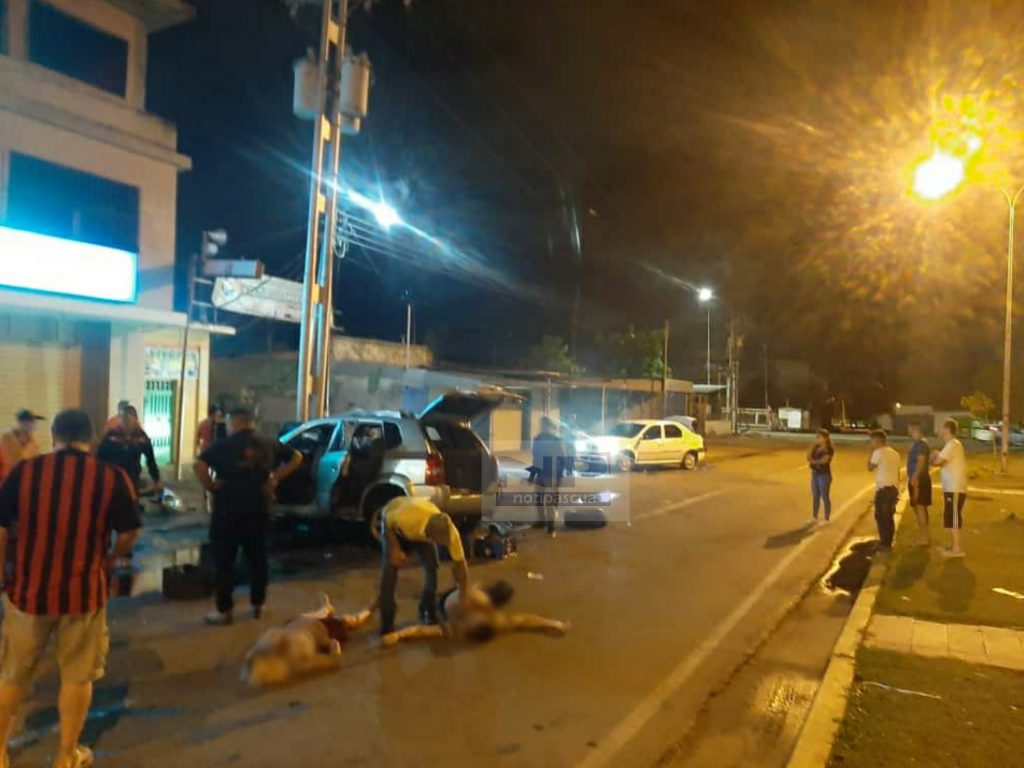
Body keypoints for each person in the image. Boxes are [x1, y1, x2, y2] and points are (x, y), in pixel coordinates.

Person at [0, 409, 141, 768]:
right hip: (83, 594)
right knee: (77, 676)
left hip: (27, 592)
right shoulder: (111, 477)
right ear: (91, 439)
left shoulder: (25, 472)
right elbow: (129, 532)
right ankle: (66, 755)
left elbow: (1, 529)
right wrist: (109, 561)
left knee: (14, 674)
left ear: (54, 436)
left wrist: (3, 574)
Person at [194, 407, 302, 625]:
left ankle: (224, 610)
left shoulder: (224, 445)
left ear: (236, 422)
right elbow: (297, 457)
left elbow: (199, 464)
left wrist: (211, 487)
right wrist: (275, 477)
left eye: (228, 422)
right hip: (258, 508)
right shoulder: (268, 443)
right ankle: (258, 605)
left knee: (225, 561)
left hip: (228, 510)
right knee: (258, 559)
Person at [378, 496, 470, 636]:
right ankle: (387, 622)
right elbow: (386, 520)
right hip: (394, 529)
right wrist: (395, 548)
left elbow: (460, 564)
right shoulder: (407, 518)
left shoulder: (451, 533)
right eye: (437, 541)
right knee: (390, 570)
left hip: (421, 531)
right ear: (430, 534)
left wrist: (463, 595)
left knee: (432, 566)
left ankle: (427, 609)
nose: (439, 544)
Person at [381, 580, 568, 647]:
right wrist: (551, 623)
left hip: (447, 602)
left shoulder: (458, 628)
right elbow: (523, 620)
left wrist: (398, 635)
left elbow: (422, 631)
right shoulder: (488, 611)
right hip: (456, 596)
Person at [97, 406, 161, 496]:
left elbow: (150, 460)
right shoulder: (111, 436)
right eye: (123, 420)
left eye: (129, 421)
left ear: (135, 420)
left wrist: (156, 480)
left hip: (132, 477)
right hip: (113, 478)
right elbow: (100, 458)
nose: (126, 424)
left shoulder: (141, 437)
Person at [931, 418, 967, 558]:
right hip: (951, 488)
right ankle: (953, 546)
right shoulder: (950, 445)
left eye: (941, 427)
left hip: (955, 488)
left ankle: (957, 549)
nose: (939, 430)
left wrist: (934, 457)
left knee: (954, 517)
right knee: (950, 516)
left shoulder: (953, 444)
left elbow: (939, 461)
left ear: (947, 429)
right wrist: (936, 455)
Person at [530, 417, 566, 536]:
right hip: (540, 473)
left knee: (550, 501)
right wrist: (532, 475)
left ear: (549, 426)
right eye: (542, 425)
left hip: (552, 474)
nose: (543, 427)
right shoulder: (537, 439)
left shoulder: (556, 441)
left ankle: (551, 524)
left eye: (545, 425)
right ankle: (541, 521)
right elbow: (535, 458)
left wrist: (560, 476)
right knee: (539, 499)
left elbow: (563, 459)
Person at [868, 430, 900, 551]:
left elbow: (869, 467)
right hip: (893, 488)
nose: (871, 443)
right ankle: (888, 542)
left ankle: (885, 544)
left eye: (872, 441)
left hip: (883, 490)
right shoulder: (895, 453)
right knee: (889, 517)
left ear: (877, 441)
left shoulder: (878, 452)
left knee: (881, 517)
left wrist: (871, 452)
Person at [906, 421, 932, 546]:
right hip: (917, 479)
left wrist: (914, 478)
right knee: (918, 507)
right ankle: (923, 536)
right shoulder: (918, 444)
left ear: (916, 429)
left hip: (919, 480)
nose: (909, 432)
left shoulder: (921, 445)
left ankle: (924, 537)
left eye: (910, 429)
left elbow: (921, 462)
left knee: (920, 507)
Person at [0, 409, 44, 473]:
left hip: (25, 478)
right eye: (30, 421)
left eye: (34, 422)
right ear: (21, 422)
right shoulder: (5, 437)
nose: (34, 424)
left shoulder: (34, 442)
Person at [807, 429, 835, 525]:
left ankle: (826, 518)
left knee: (825, 496)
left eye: (819, 437)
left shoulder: (829, 449)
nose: (817, 439)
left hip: (824, 475)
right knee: (815, 496)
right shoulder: (816, 447)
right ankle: (814, 517)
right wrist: (812, 446)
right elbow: (808, 456)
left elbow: (824, 461)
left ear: (825, 438)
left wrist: (813, 461)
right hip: (815, 473)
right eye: (816, 437)